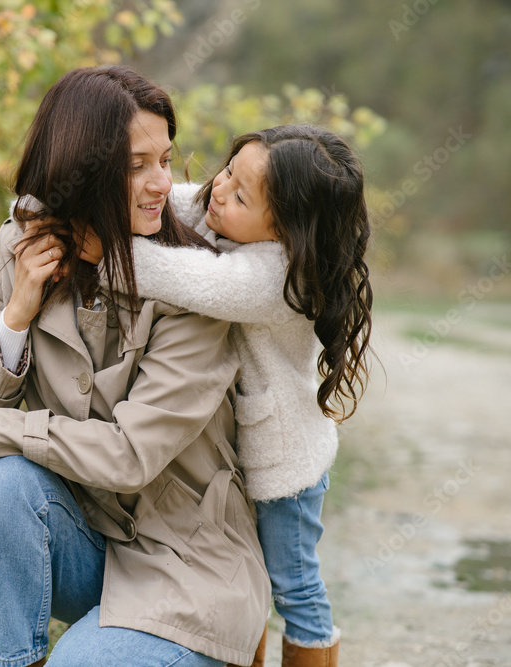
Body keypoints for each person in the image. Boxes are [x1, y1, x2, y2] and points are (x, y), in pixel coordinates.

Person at [0, 65, 270, 667]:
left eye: (165, 159)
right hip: (86, 541)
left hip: (185, 568)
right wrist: (15, 317)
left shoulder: (194, 279)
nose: (161, 182)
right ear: (81, 172)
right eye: (137, 166)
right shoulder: (21, 247)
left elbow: (131, 455)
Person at [80, 125, 373, 666]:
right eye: (228, 172)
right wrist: (52, 205)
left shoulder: (281, 276)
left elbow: (191, 277)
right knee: (242, 575)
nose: (218, 190)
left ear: (286, 230)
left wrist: (105, 252)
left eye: (240, 195)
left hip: (282, 471)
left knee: (293, 586)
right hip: (233, 458)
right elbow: (170, 200)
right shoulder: (228, 212)